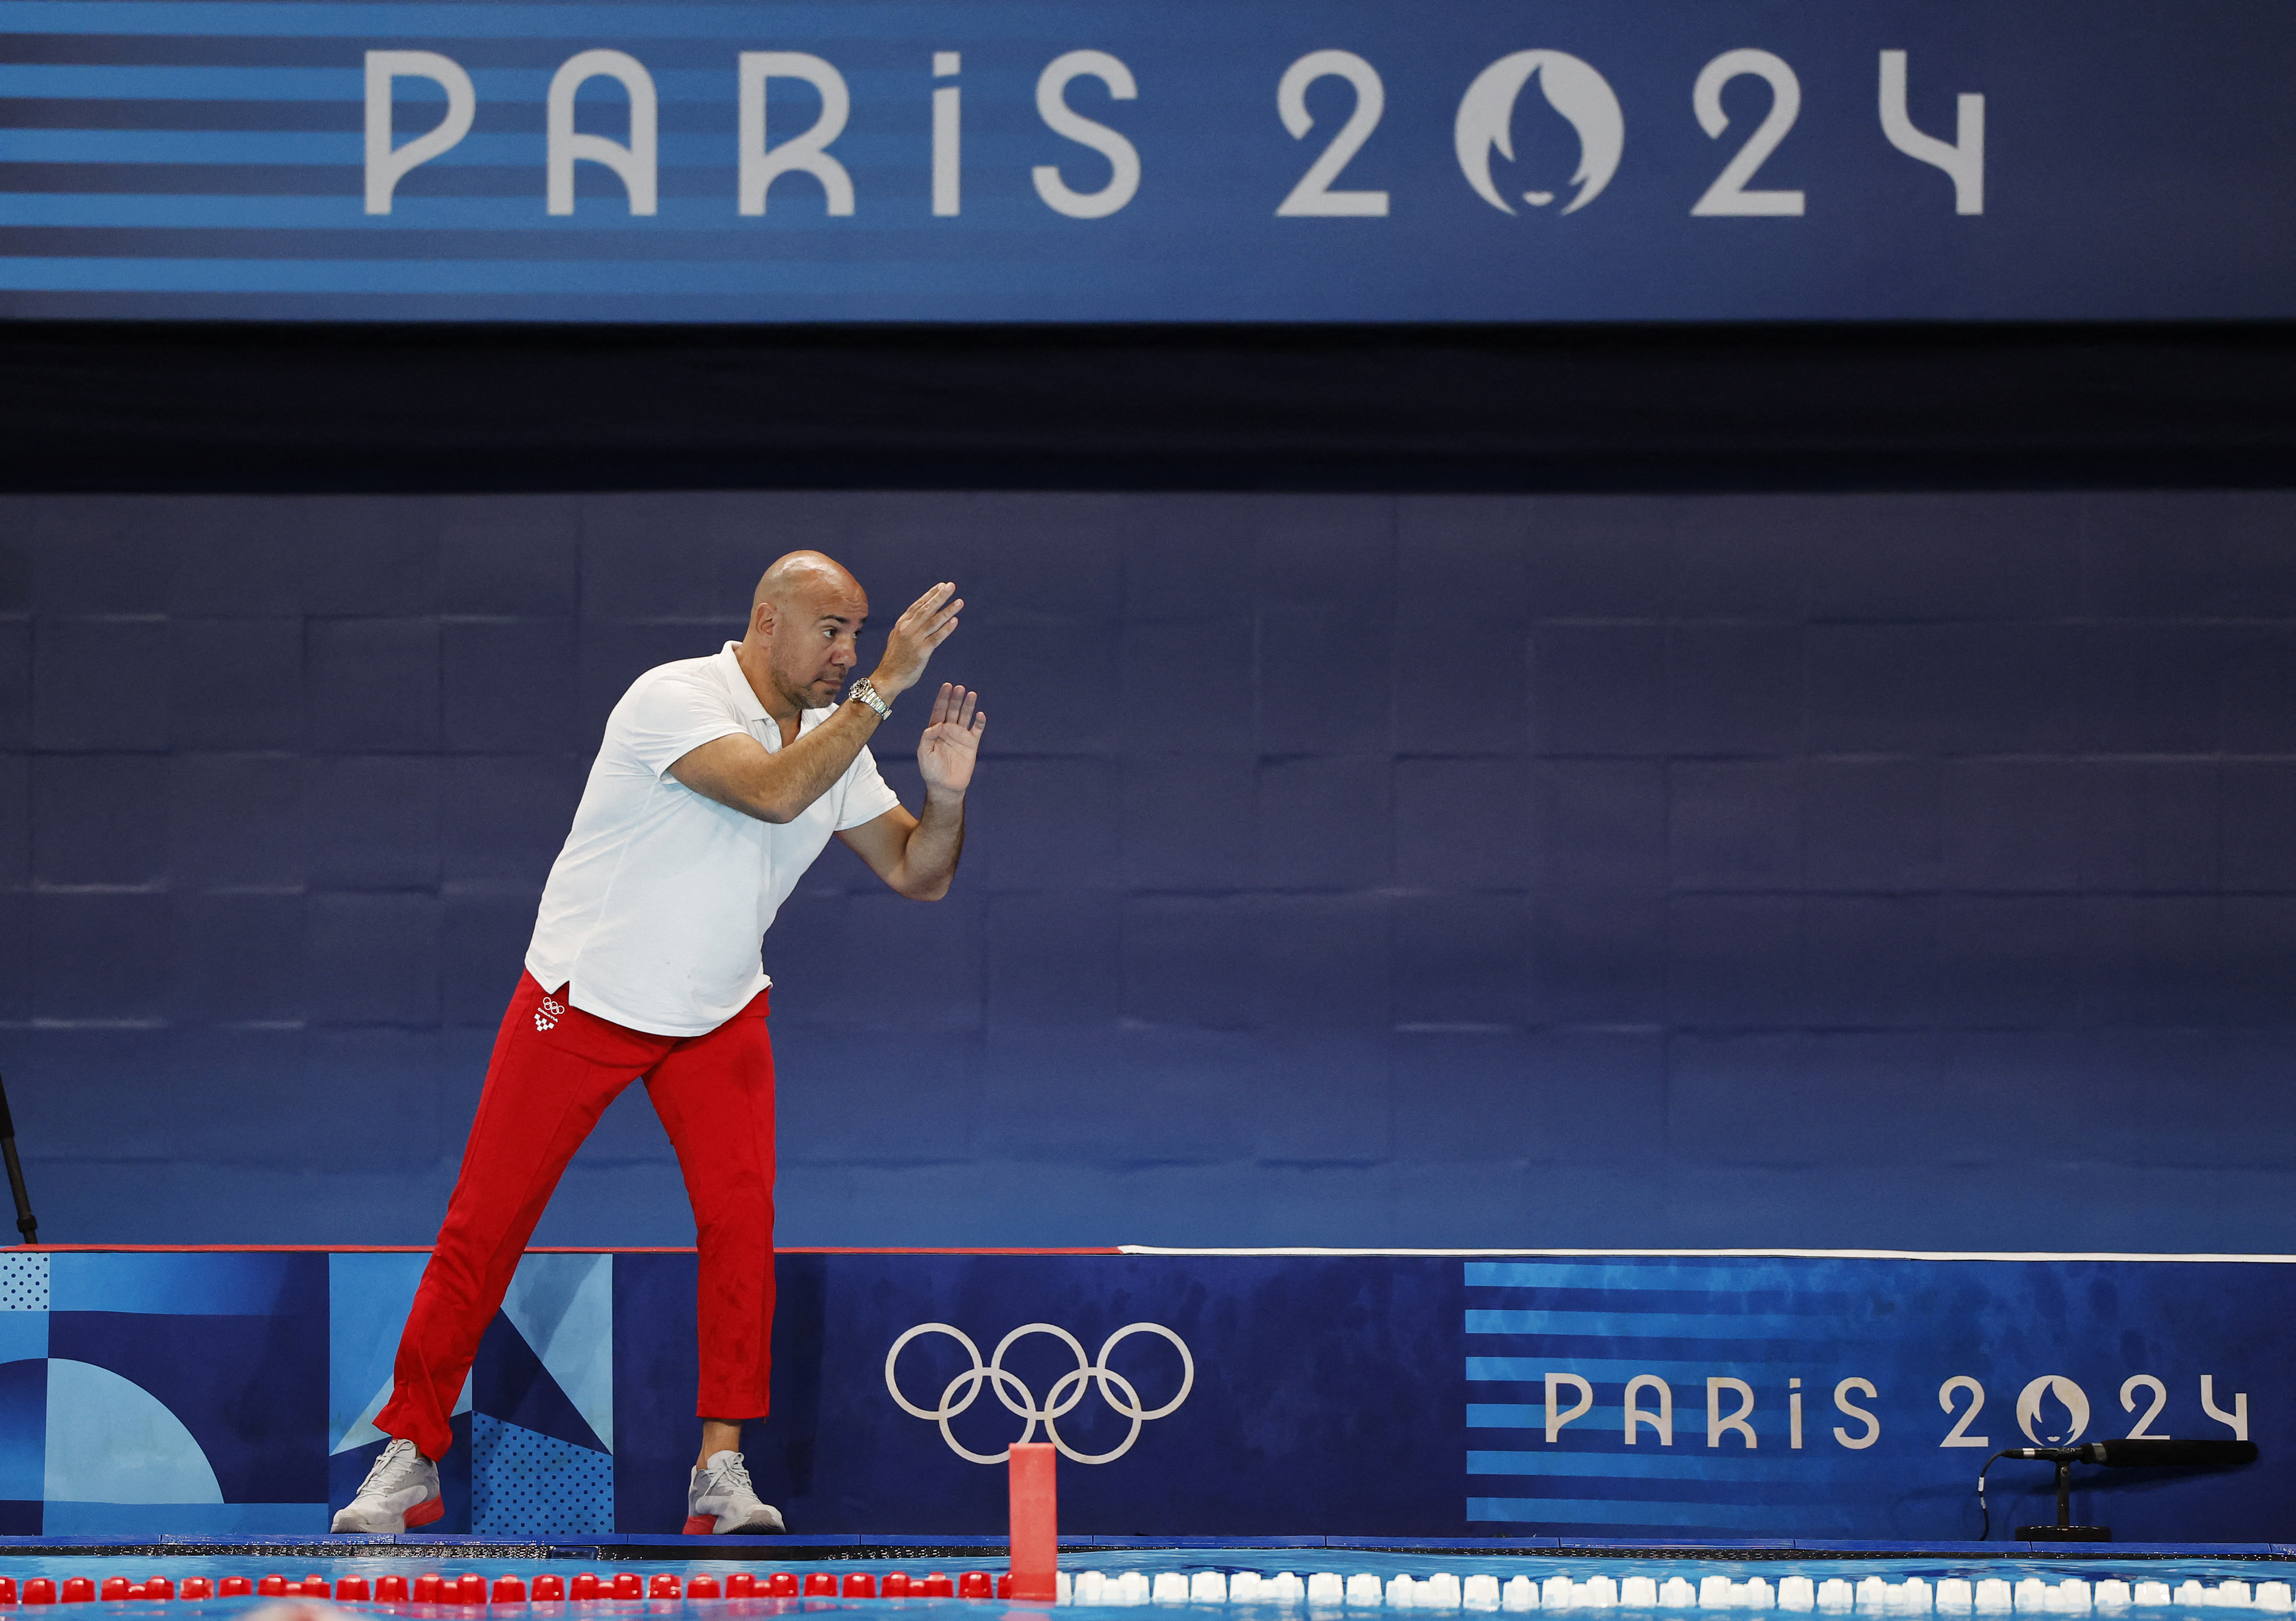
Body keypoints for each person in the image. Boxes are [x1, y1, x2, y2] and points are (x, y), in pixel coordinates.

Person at [330, 552, 984, 1536]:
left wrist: (943, 797)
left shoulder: (841, 742)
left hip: (718, 1012)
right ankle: (410, 1451)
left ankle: (719, 1469)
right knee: (486, 1220)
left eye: (858, 634)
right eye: (832, 629)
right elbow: (768, 791)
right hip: (574, 1000)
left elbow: (918, 874)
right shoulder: (673, 698)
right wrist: (887, 687)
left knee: (739, 1223)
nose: (848, 652)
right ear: (767, 621)